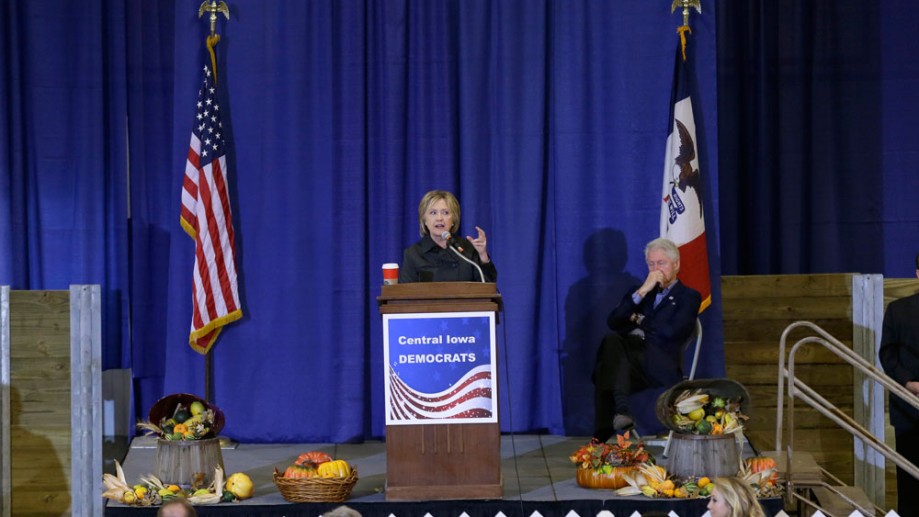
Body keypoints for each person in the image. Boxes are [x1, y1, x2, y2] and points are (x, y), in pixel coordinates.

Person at [591, 237, 701, 442]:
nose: (656, 269)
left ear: (675, 264)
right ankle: (622, 410)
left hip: (661, 363)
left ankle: (603, 432)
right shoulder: (644, 293)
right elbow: (614, 320)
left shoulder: (689, 296)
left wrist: (637, 318)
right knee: (611, 342)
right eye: (651, 264)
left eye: (662, 263)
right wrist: (641, 292)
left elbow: (672, 333)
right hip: (631, 363)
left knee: (606, 365)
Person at [879, 253, 919, 517]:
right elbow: (887, 353)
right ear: (918, 273)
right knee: (909, 483)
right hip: (909, 411)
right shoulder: (898, 309)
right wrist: (910, 383)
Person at [399, 190, 497, 283]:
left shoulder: (468, 249)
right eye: (433, 213)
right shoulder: (413, 254)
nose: (439, 218)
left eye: (445, 212)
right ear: (424, 220)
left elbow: (487, 289)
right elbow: (405, 295)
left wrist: (483, 256)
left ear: (454, 220)